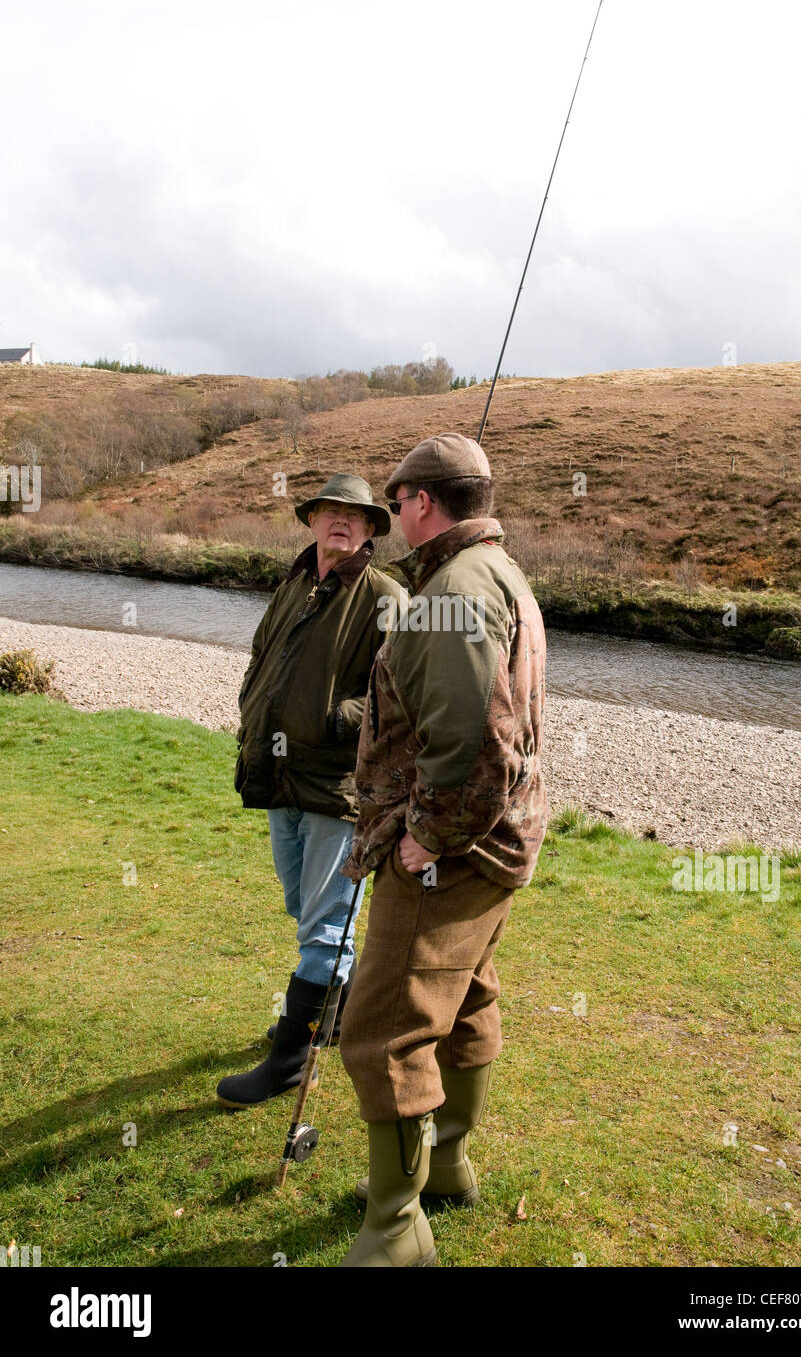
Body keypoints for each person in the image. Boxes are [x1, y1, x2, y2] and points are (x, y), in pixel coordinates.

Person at [336, 432, 547, 1266]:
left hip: (453, 850)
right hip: (499, 843)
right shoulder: (501, 574)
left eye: (394, 504)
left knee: (383, 1028)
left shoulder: (454, 590)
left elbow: (472, 745)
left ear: (422, 502)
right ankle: (447, 1165)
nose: (393, 517)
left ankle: (394, 1230)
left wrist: (428, 836)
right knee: (466, 1000)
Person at [217, 473, 405, 1108]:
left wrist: (331, 721)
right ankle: (334, 1012)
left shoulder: (386, 596)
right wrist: (253, 710)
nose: (342, 523)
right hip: (280, 775)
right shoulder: (296, 583)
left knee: (323, 925)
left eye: (357, 516)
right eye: (331, 512)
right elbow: (260, 657)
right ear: (312, 520)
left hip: (337, 784)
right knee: (305, 906)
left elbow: (398, 695)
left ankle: (290, 1059)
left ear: (373, 530)